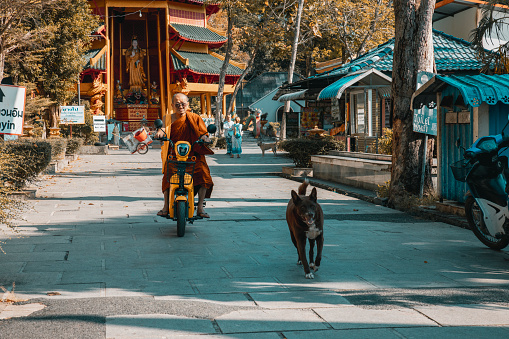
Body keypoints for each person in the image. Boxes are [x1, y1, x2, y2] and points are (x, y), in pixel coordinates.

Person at [155, 93, 214, 218]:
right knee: (167, 175)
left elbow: (203, 133)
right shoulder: (167, 118)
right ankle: (166, 206)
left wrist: (205, 138)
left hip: (193, 154)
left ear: (188, 105)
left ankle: (199, 208)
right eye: (177, 104)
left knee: (204, 174)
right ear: (172, 105)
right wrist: (160, 132)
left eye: (183, 104)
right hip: (174, 155)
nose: (180, 106)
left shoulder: (195, 118)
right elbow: (163, 129)